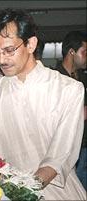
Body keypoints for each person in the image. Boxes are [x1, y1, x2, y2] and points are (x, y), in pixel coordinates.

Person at [0, 9, 86, 200]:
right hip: (3, 193)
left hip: (57, 192)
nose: (1, 60)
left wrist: (25, 192)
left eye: (9, 50)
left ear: (31, 44)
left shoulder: (68, 89)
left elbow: (59, 156)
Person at [56, 31, 87, 190]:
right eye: (84, 52)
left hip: (83, 143)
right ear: (71, 52)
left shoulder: (82, 77)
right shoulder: (54, 79)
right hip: (64, 146)